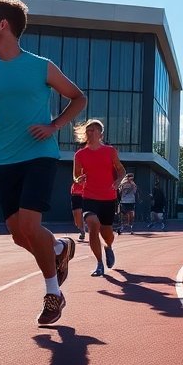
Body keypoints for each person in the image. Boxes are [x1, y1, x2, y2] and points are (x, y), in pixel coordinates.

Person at [0, 0, 85, 325]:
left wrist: (55, 125)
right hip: (4, 160)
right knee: (18, 234)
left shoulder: (40, 66)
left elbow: (78, 97)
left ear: (4, 25)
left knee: (30, 226)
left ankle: (52, 294)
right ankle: (60, 249)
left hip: (39, 154)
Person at [73, 119, 125, 278]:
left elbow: (121, 170)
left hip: (108, 197)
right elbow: (75, 175)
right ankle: (99, 263)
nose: (90, 132)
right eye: (88, 130)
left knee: (107, 232)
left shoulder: (110, 151)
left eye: (94, 130)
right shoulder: (80, 154)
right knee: (93, 225)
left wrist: (118, 181)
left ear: (100, 134)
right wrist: (78, 179)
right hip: (89, 195)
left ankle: (108, 247)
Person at [70, 176, 87, 241]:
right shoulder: (76, 175)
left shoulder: (85, 176)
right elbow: (76, 179)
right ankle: (81, 229)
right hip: (74, 196)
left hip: (81, 196)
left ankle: (82, 231)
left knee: (79, 213)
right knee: (76, 217)